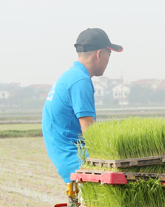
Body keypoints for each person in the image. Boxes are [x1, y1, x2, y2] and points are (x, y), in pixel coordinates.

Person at [42, 28, 123, 183]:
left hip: (64, 156)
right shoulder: (80, 81)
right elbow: (90, 134)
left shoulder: (70, 76)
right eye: (109, 55)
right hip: (76, 159)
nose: (108, 62)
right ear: (100, 54)